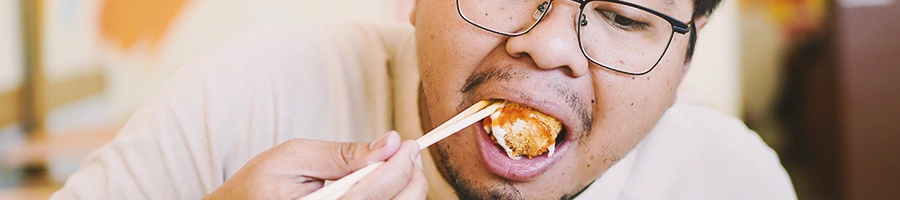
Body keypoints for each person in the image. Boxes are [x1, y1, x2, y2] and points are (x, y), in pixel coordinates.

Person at [51, 0, 797, 199]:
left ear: (686, 60)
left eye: (624, 17)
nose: (552, 46)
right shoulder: (252, 93)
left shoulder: (730, 181)